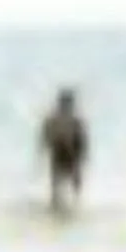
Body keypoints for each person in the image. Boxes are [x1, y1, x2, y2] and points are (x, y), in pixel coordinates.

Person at [39, 86, 90, 215]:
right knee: (62, 183)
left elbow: (82, 139)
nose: (67, 106)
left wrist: (83, 154)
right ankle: (65, 206)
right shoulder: (70, 120)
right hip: (63, 154)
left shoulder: (69, 120)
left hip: (67, 154)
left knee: (66, 182)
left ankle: (68, 206)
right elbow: (45, 136)